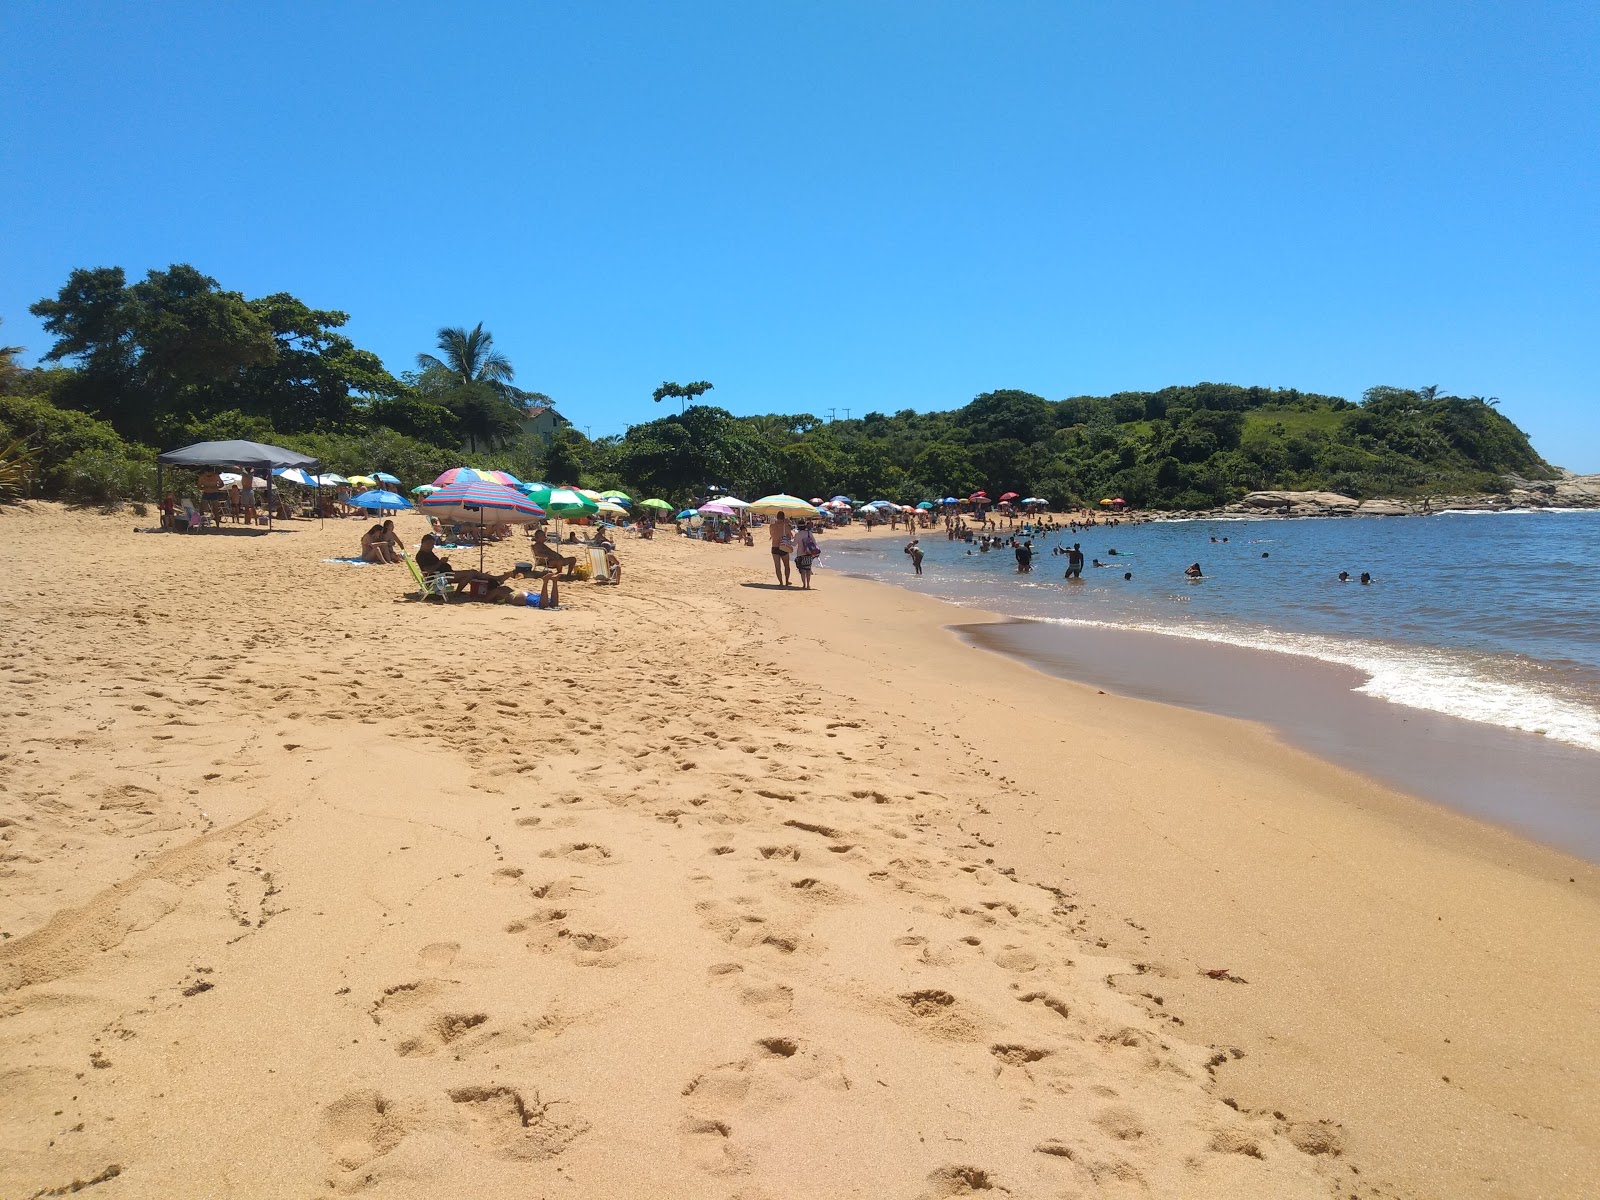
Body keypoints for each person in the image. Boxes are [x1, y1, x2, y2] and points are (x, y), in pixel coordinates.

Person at [795, 522, 822, 590]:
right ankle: (808, 585)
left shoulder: (797, 535)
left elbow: (794, 544)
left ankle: (804, 585)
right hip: (809, 553)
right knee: (808, 569)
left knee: (802, 570)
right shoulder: (809, 533)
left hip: (800, 554)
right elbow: (814, 543)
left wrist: (787, 540)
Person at [769, 512, 793, 586]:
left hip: (774, 547)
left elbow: (771, 535)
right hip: (783, 547)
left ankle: (781, 582)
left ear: (776, 517)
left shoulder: (772, 526)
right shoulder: (786, 526)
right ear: (784, 517)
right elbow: (789, 536)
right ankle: (786, 581)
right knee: (786, 566)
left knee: (777, 567)